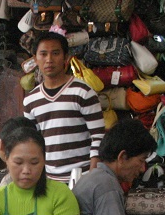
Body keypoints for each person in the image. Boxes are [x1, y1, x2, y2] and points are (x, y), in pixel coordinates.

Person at [23, 32, 105, 183]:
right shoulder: (30, 100)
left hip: (83, 177)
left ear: (66, 57)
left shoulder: (83, 92)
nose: (49, 59)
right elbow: (32, 142)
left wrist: (92, 177)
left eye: (55, 53)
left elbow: (98, 136)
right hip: (50, 180)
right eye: (43, 54)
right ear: (35, 59)